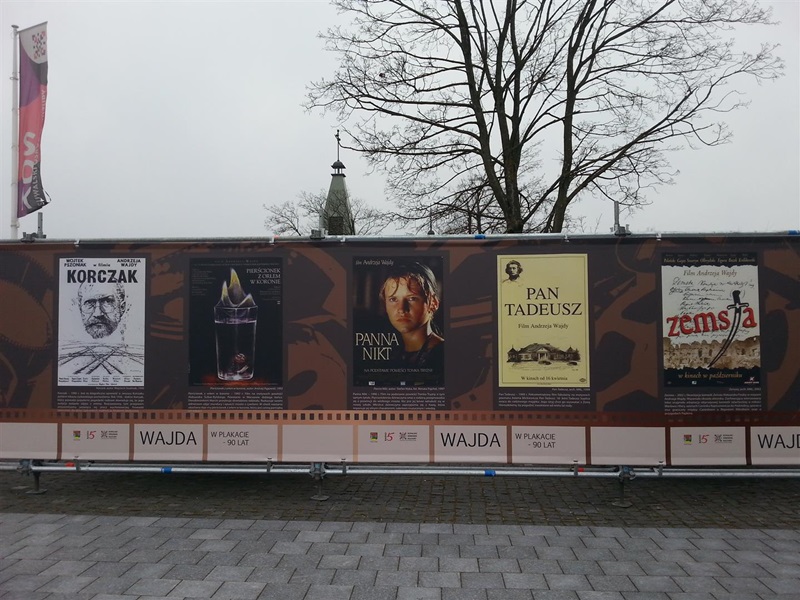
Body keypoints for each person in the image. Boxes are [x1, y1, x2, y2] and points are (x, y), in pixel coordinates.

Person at [379, 262, 444, 369]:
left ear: (433, 303)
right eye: (393, 299)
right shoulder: (391, 355)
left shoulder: (444, 355)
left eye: (412, 298)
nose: (401, 309)